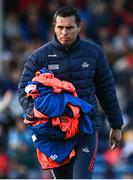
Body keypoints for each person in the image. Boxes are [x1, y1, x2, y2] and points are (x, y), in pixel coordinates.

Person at [18, 6, 124, 179]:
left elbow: (107, 90)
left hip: (86, 129)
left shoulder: (94, 52)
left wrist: (116, 125)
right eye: (60, 27)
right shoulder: (38, 57)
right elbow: (23, 93)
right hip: (55, 132)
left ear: (79, 27)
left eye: (69, 27)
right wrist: (42, 116)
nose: (64, 32)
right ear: (54, 27)